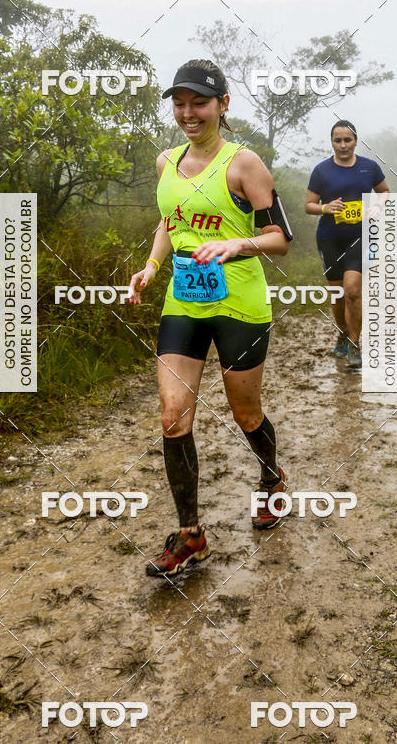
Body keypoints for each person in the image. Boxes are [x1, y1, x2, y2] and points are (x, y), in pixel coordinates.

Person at [128, 59, 293, 578]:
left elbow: (281, 239)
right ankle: (190, 536)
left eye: (199, 102)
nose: (187, 113)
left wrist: (236, 243)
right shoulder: (166, 162)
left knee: (245, 413)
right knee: (172, 415)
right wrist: (151, 267)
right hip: (183, 305)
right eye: (179, 103)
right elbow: (168, 219)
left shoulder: (245, 165)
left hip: (240, 307)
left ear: (223, 105)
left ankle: (271, 482)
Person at [305, 120, 389, 369]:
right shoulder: (322, 171)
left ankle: (355, 343)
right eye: (337, 140)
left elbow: (384, 191)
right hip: (330, 238)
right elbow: (308, 205)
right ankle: (342, 333)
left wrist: (377, 206)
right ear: (332, 142)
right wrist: (325, 207)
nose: (342, 145)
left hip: (359, 236)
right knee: (338, 294)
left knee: (352, 290)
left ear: (355, 141)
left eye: (347, 140)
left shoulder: (369, 167)